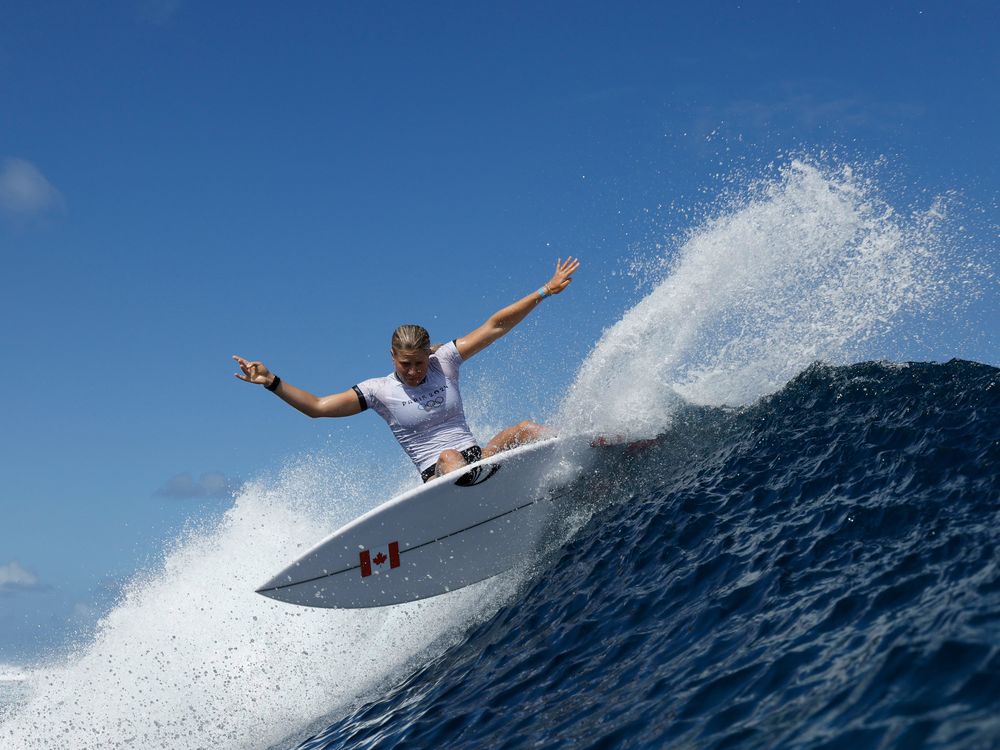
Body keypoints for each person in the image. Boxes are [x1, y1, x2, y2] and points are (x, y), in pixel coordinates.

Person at [233, 257, 581, 483]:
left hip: (480, 461)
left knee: (523, 428)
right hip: (440, 475)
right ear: (392, 357)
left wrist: (544, 291)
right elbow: (319, 408)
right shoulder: (378, 391)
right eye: (406, 364)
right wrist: (272, 382)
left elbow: (495, 326)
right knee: (449, 456)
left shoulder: (444, 360)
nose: (415, 371)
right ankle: (474, 491)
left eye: (420, 363)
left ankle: (583, 446)